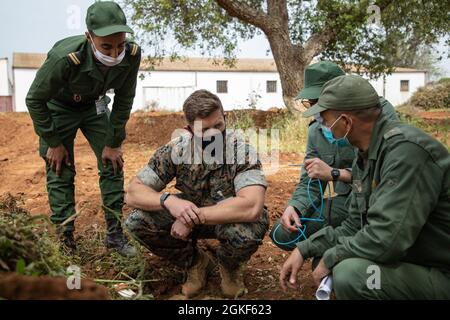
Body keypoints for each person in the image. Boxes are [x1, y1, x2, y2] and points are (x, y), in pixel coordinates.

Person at [279, 74, 450, 299]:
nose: (323, 126)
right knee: (339, 261)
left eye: (326, 120)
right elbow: (354, 226)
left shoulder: (405, 153)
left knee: (353, 275)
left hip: (440, 272)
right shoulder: (366, 156)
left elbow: (386, 239)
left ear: (346, 122)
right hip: (413, 260)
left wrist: (331, 257)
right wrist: (305, 248)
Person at [125, 90, 269, 299]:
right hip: (187, 212)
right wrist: (168, 200)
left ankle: (229, 268)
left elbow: (252, 207)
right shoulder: (175, 150)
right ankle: (195, 262)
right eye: (204, 129)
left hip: (225, 218)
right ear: (190, 129)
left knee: (251, 228)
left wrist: (193, 218)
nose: (213, 134)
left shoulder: (242, 151)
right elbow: (133, 193)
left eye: (218, 126)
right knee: (138, 221)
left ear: (225, 119)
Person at [26, 1, 141, 256]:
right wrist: (53, 143)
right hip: (59, 107)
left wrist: (113, 142)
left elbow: (124, 99)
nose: (114, 55)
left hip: (94, 107)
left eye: (120, 45)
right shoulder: (65, 58)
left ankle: (114, 235)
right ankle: (66, 239)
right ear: (89, 37)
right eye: (106, 47)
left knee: (113, 162)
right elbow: (34, 99)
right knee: (60, 168)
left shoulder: (131, 55)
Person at [270, 61, 397, 254]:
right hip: (343, 200)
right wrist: (295, 207)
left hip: (374, 199)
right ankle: (334, 248)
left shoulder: (375, 113)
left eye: (320, 102)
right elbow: (310, 179)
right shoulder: (316, 130)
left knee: (340, 265)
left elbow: (385, 172)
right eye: (311, 104)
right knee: (282, 234)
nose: (317, 112)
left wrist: (336, 174)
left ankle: (338, 254)